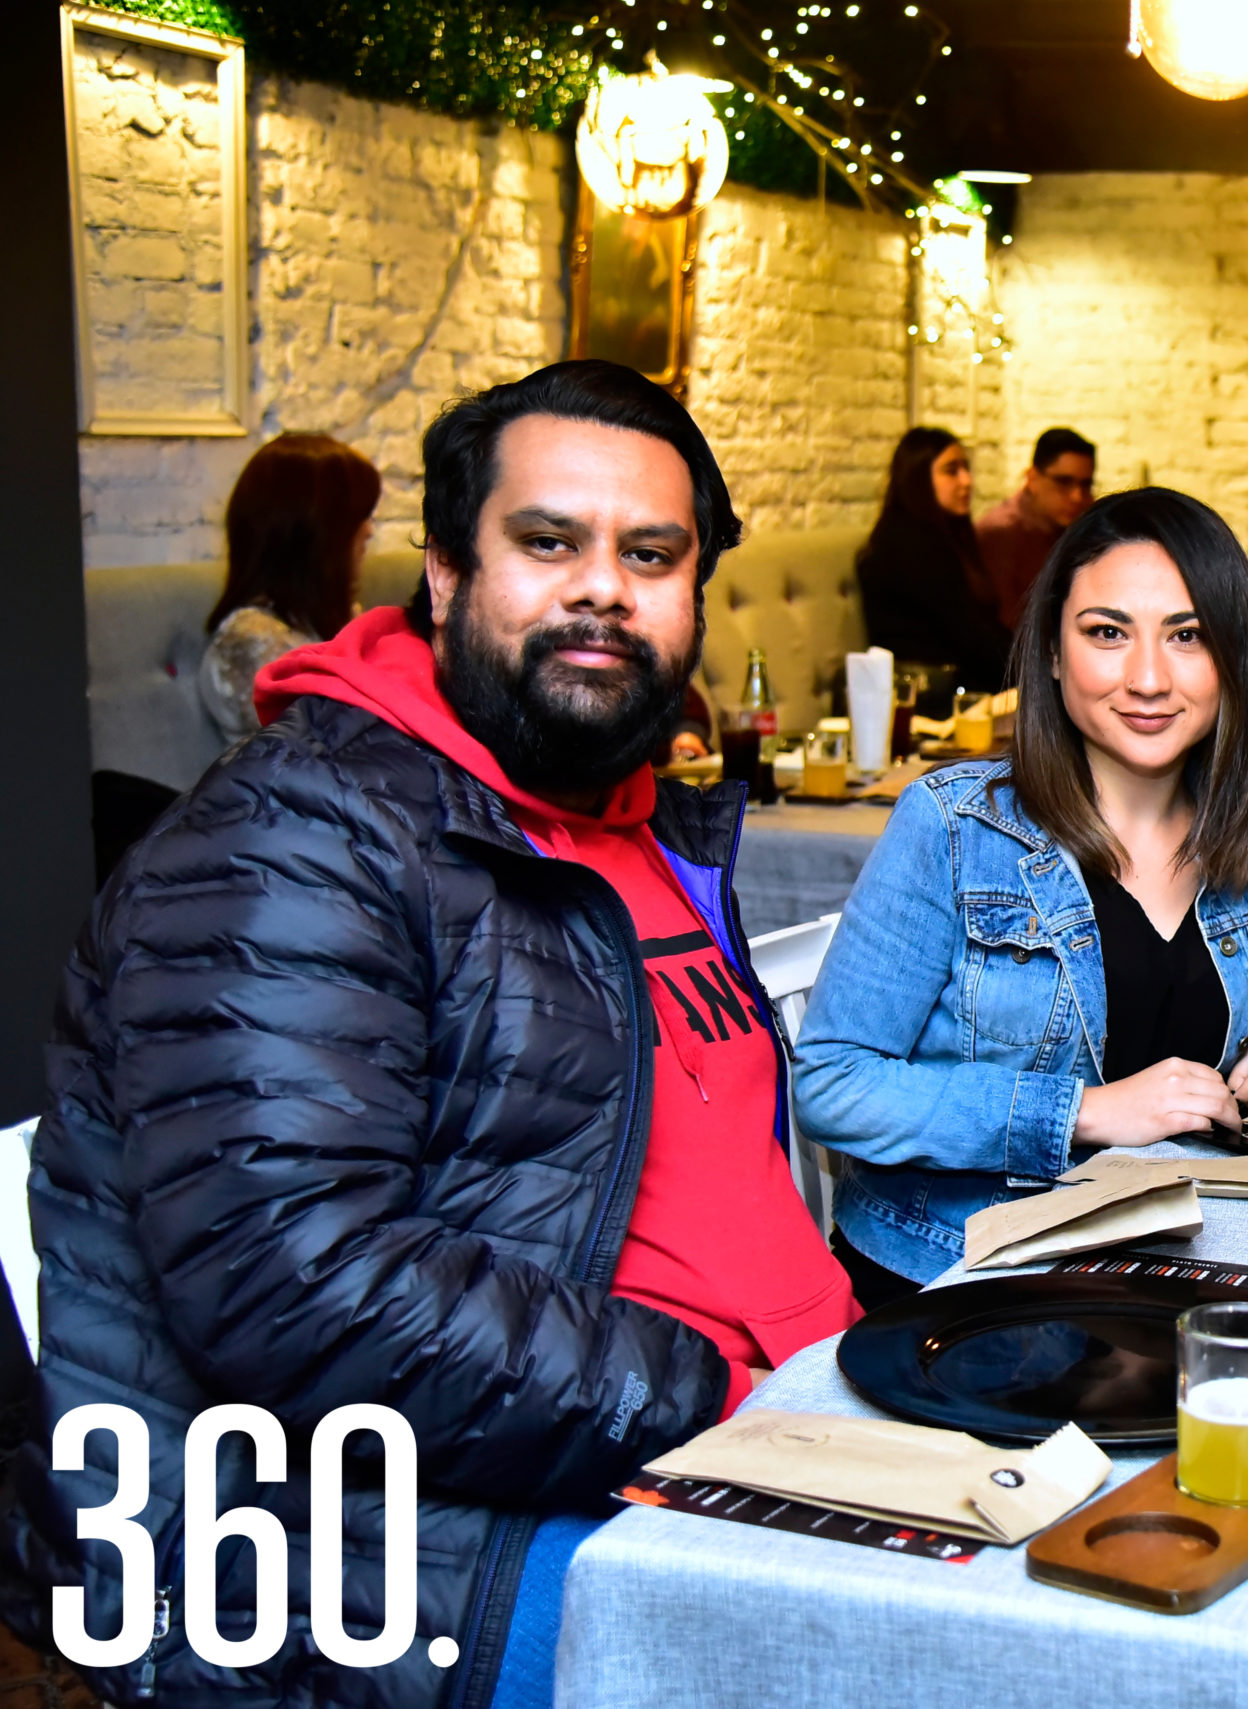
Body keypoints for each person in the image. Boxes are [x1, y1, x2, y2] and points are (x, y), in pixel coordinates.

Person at [6, 361, 862, 1709]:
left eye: (651, 554)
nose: (602, 587)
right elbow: (287, 1278)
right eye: (547, 542)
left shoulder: (636, 822)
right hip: (410, 1559)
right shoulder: (296, 838)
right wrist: (719, 1398)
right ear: (448, 578)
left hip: (757, 1463)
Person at [793, 487, 1248, 1288]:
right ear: (1052, 652)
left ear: (1233, 658)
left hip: (1157, 1257)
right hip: (959, 1271)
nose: (1148, 677)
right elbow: (832, 1083)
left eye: (1187, 635)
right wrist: (1082, 1110)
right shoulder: (954, 826)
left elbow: (1201, 994)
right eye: (1107, 633)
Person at [198, 432, 381, 742]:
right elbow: (331, 751)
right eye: (356, 517)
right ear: (315, 533)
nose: (369, 530)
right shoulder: (252, 643)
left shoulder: (326, 621)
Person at [856, 425, 1014, 691]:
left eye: (966, 469)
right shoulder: (910, 544)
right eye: (952, 470)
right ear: (919, 478)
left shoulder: (944, 536)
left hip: (960, 681)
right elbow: (969, 634)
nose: (967, 481)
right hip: (930, 693)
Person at [976, 426, 1098, 628]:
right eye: (1063, 482)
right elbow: (1005, 625)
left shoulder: (1079, 527)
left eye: (1085, 485)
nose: (1077, 496)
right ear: (1032, 478)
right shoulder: (1001, 533)